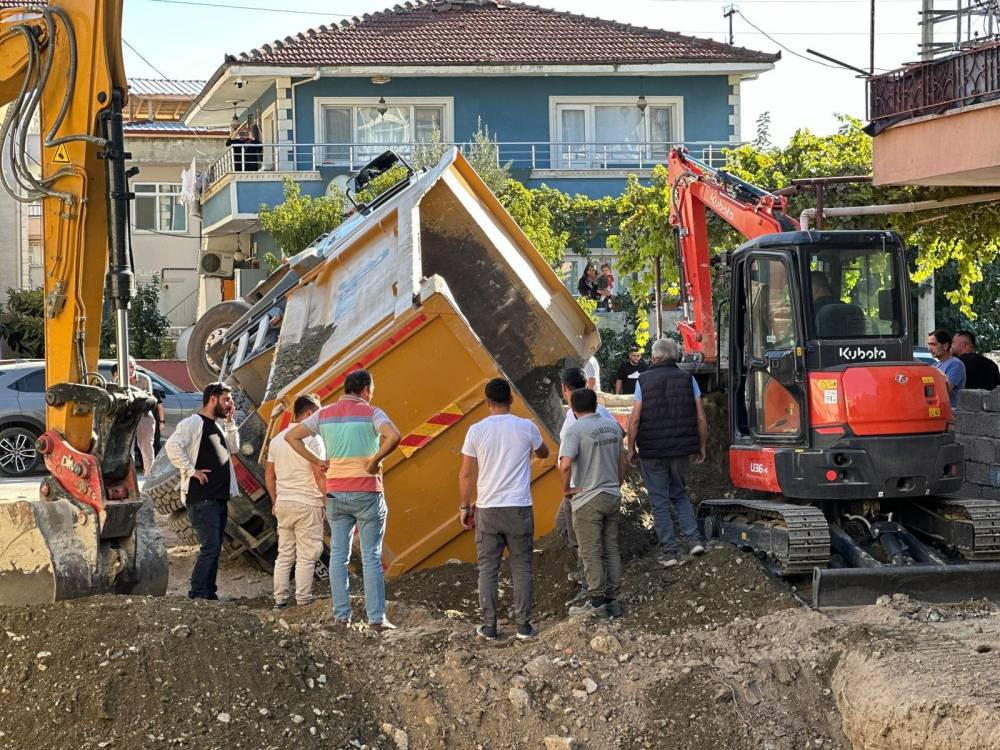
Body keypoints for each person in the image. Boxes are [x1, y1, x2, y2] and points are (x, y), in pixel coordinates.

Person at [286, 369, 401, 632]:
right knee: (371, 556)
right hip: (367, 493)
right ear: (365, 390)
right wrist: (375, 460)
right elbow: (394, 435)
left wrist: (318, 461)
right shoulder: (372, 413)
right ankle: (376, 620)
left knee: (338, 556)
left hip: (336, 493)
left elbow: (291, 436)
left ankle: (341, 617)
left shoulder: (324, 414)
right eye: (371, 390)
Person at [459, 378, 549, 641]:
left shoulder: (476, 431)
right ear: (511, 400)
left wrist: (464, 507)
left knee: (488, 569)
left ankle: (489, 627)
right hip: (519, 508)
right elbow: (544, 453)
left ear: (487, 402)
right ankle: (524, 626)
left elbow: (466, 473)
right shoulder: (526, 427)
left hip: (488, 509)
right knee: (522, 567)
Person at [626, 338, 707, 567]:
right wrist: (701, 446)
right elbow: (701, 417)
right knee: (679, 494)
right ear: (676, 356)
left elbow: (635, 419)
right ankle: (693, 540)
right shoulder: (688, 378)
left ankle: (670, 551)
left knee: (659, 500)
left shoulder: (643, 380)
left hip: (652, 450)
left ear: (654, 357)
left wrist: (630, 448)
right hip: (681, 449)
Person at [165, 382, 240, 600]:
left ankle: (208, 594)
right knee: (210, 547)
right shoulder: (193, 423)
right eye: (226, 399)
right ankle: (197, 594)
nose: (229, 404)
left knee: (214, 548)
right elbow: (172, 446)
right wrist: (191, 470)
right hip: (202, 498)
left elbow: (234, 448)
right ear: (212, 399)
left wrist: (230, 422)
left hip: (218, 498)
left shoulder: (217, 426)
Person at [559, 388, 626, 619]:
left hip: (588, 498)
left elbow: (565, 465)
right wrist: (618, 483)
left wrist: (566, 489)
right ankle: (612, 601)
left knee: (590, 551)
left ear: (573, 409)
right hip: (612, 494)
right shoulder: (614, 427)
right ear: (596, 405)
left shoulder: (575, 429)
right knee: (611, 548)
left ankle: (597, 603)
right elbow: (622, 459)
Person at [266, 393, 326, 610]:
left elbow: (269, 475)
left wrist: (275, 501)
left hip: (284, 503)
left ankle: (279, 600)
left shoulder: (276, 440)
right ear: (308, 414)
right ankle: (303, 600)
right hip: (308, 503)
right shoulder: (314, 439)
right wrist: (328, 501)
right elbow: (319, 474)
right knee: (307, 556)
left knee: (284, 555)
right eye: (318, 413)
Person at [112, 357, 158, 474]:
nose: (130, 370)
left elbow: (149, 398)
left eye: (132, 367)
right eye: (127, 368)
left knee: (146, 447)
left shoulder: (144, 379)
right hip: (127, 416)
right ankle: (128, 475)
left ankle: (149, 476)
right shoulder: (118, 380)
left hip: (143, 415)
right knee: (127, 447)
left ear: (135, 367)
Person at [927, 329, 966, 408]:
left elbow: (944, 390)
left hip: (951, 412)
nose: (929, 348)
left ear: (945, 346)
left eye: (933, 344)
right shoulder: (934, 365)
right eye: (929, 344)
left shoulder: (956, 364)